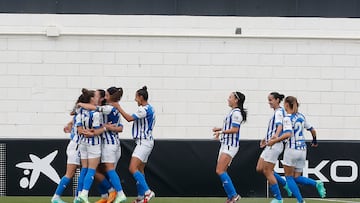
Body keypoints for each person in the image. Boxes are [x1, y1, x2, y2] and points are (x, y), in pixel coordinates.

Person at [267, 96, 326, 203]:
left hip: (291, 150)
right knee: (296, 177)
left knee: (289, 177)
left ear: (286, 105)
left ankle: (300, 201)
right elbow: (312, 130)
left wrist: (274, 141)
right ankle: (316, 183)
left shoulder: (287, 118)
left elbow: (288, 134)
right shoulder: (301, 116)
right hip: (303, 150)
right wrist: (315, 141)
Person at [79, 87, 127, 203]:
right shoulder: (111, 109)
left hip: (109, 144)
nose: (104, 97)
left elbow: (93, 108)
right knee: (98, 170)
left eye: (106, 95)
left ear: (109, 96)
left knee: (108, 170)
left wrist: (80, 103)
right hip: (107, 144)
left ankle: (119, 193)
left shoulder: (108, 108)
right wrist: (109, 127)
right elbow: (120, 128)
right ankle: (107, 195)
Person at [111, 86, 155, 203]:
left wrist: (118, 107)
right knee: (140, 170)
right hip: (147, 141)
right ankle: (141, 197)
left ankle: (147, 192)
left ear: (141, 97)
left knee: (132, 168)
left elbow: (129, 118)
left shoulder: (143, 109)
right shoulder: (151, 108)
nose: (135, 100)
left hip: (143, 142)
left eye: (136, 97)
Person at [256, 92, 291, 203]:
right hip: (270, 143)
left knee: (267, 171)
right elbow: (273, 128)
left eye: (271, 100)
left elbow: (279, 125)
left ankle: (279, 198)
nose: (269, 102)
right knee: (260, 168)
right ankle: (285, 183)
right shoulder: (276, 112)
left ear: (277, 100)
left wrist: (276, 136)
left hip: (275, 144)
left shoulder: (279, 112)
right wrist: (265, 138)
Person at [212, 91, 247, 203]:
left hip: (230, 145)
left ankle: (234, 195)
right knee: (221, 170)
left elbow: (235, 130)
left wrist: (221, 132)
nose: (228, 99)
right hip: (226, 144)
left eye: (230, 97)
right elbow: (229, 127)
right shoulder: (232, 112)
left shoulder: (236, 113)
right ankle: (231, 196)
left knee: (220, 170)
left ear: (236, 100)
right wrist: (219, 129)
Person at [75, 89, 106, 203]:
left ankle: (78, 196)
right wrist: (104, 128)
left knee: (84, 169)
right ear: (91, 99)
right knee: (92, 170)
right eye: (95, 97)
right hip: (94, 143)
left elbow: (79, 129)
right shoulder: (96, 113)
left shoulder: (80, 111)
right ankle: (84, 194)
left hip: (83, 142)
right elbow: (96, 131)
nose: (97, 98)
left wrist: (84, 132)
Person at [51, 95, 83, 203]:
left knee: (83, 171)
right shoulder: (81, 112)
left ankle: (77, 197)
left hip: (79, 146)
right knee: (70, 173)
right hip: (76, 146)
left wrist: (69, 124)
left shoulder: (79, 112)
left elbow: (73, 118)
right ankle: (56, 196)